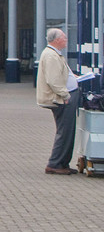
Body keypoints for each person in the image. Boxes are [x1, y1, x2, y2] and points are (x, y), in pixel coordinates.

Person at [36, 28, 79, 175]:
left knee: (68, 131)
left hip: (63, 97)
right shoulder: (51, 56)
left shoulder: (55, 54)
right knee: (64, 131)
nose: (66, 40)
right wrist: (65, 96)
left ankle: (62, 162)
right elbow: (53, 80)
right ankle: (55, 163)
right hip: (61, 99)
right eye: (64, 38)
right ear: (56, 40)